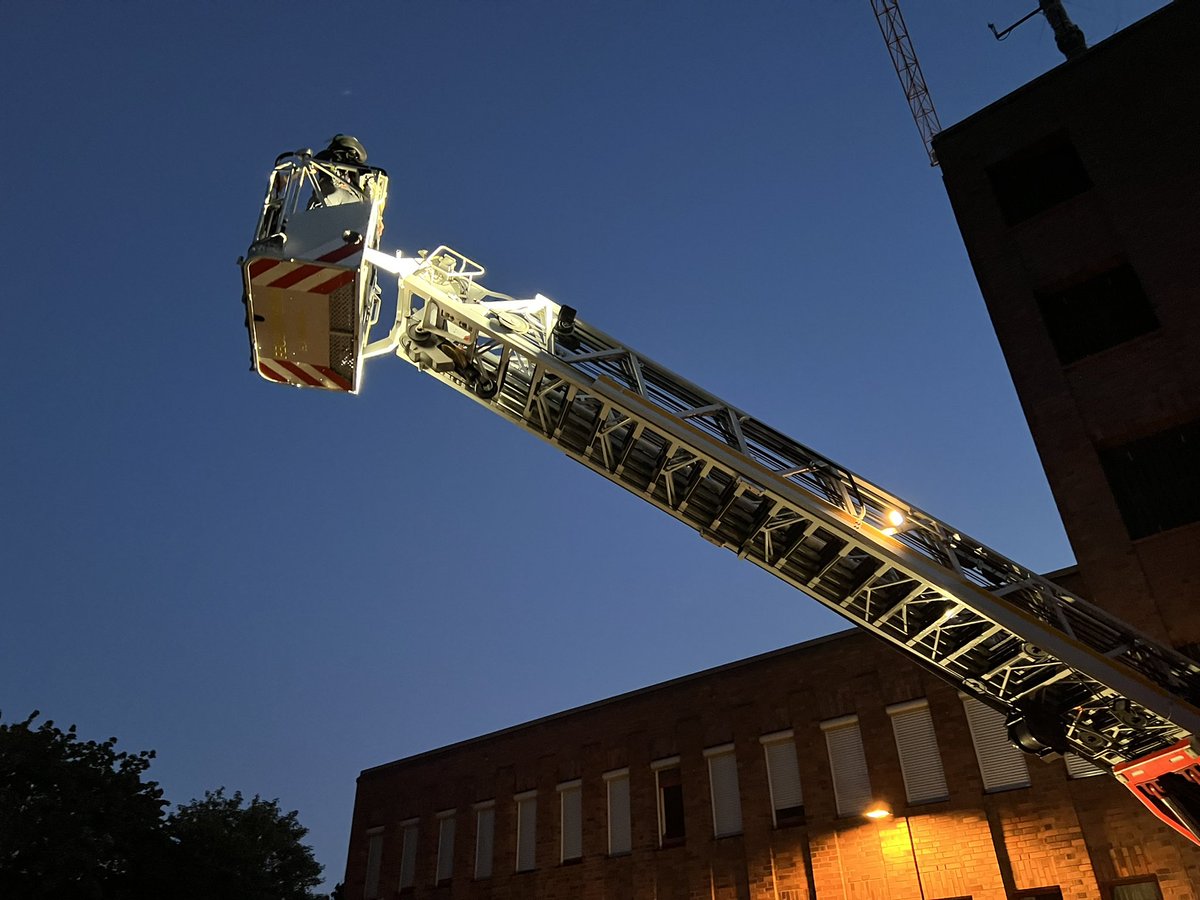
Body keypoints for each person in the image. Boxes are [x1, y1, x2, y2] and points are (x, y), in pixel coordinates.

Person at [310, 134, 369, 207]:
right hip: (330, 190)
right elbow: (312, 167)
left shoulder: (359, 168)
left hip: (351, 196)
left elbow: (369, 184)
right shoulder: (328, 156)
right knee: (327, 198)